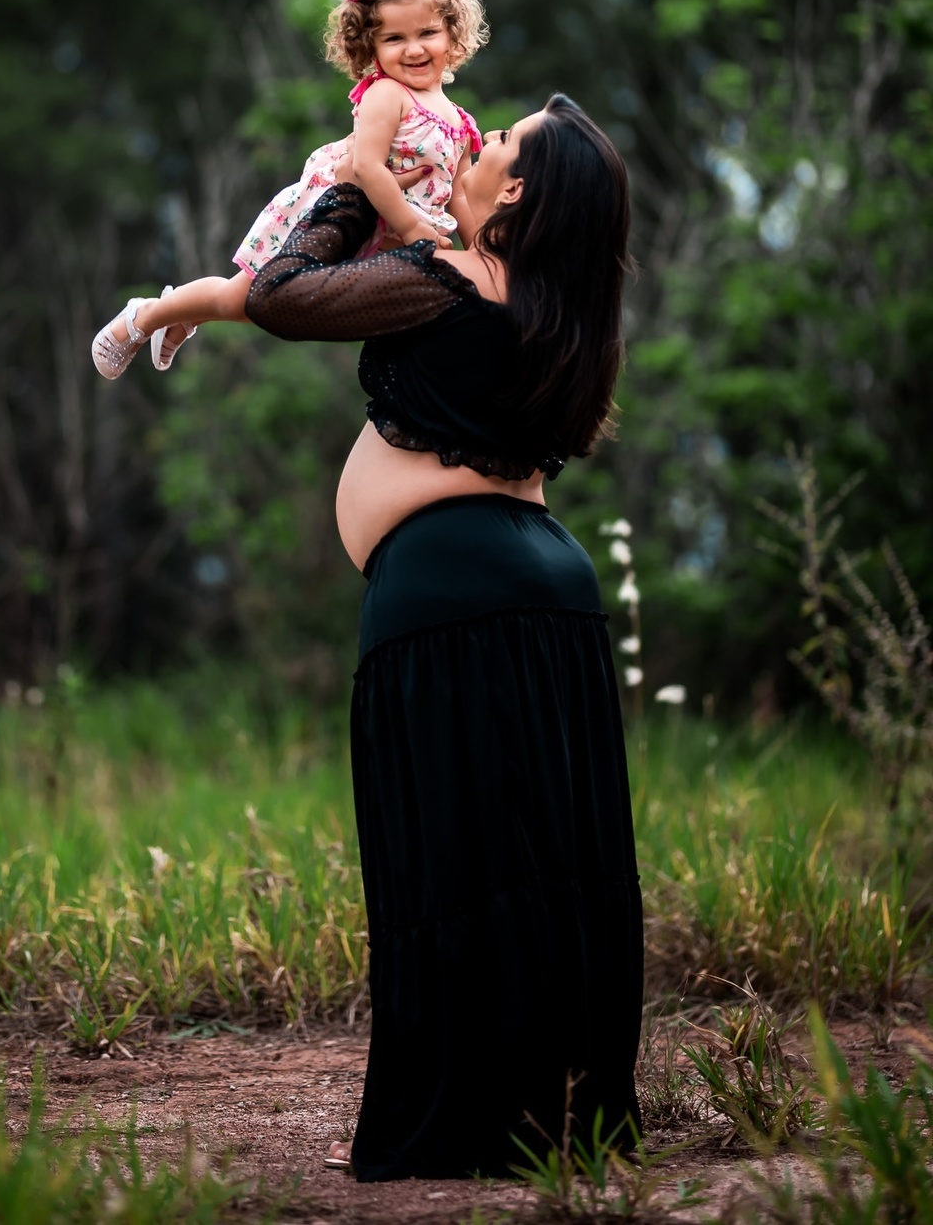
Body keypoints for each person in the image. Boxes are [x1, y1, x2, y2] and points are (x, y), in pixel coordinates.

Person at [243, 94, 643, 1181]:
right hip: (550, 591)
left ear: (513, 193)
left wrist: (352, 176)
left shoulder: (451, 281)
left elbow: (278, 297)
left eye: (498, 143)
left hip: (451, 596)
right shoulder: (564, 309)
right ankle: (565, 1117)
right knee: (547, 858)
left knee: (455, 860)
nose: (474, 143)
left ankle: (458, 1126)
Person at [90, 0, 485, 377]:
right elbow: (368, 168)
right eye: (394, 39)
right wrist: (410, 227)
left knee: (259, 308)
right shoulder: (387, 95)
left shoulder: (460, 122)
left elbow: (462, 192)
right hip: (336, 215)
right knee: (241, 297)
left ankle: (188, 313)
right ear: (370, 46)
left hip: (388, 242)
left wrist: (483, 249)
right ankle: (149, 314)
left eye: (427, 33)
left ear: (452, 31)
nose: (413, 50)